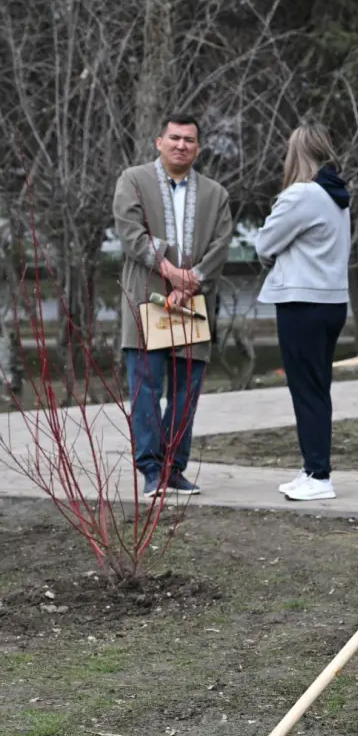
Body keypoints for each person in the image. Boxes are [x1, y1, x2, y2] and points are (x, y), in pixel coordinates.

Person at [114, 113, 232, 498]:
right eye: (175, 137)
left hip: (193, 304)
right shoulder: (133, 180)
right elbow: (130, 232)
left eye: (189, 140)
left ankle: (173, 468)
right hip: (147, 300)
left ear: (198, 148)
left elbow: (221, 243)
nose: (181, 145)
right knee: (146, 387)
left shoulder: (215, 194)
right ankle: (150, 469)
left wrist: (190, 279)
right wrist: (169, 271)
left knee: (186, 390)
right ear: (159, 141)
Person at [255, 122, 351, 501]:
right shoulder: (337, 196)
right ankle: (313, 467)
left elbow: (264, 243)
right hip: (332, 302)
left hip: (301, 302)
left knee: (306, 390)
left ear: (297, 153)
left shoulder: (301, 195)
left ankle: (319, 475)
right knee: (317, 389)